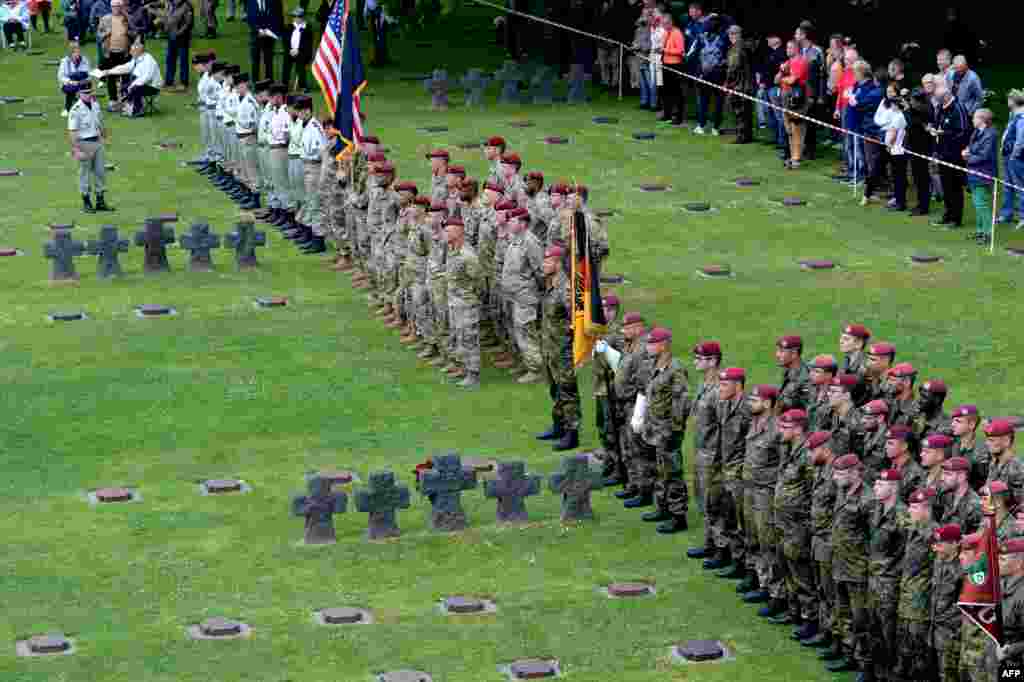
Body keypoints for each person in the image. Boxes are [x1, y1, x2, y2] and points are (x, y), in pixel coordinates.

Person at [634, 327, 690, 534]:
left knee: (672, 473)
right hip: (655, 429)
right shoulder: (654, 366)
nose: (648, 346)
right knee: (661, 470)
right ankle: (663, 508)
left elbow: (682, 401)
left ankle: (678, 516)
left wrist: (674, 429)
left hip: (668, 431)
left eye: (652, 343)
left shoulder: (675, 369)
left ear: (664, 344)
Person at [825, 454, 872, 676]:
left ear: (855, 472)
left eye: (840, 473)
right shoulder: (843, 491)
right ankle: (848, 653)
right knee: (842, 612)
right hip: (840, 564)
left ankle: (865, 664)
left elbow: (875, 537)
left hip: (858, 569)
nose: (835, 478)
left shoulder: (867, 499)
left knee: (860, 619)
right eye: (835, 473)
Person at [539, 244, 580, 448]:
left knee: (567, 390)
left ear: (556, 262)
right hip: (550, 348)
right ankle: (559, 425)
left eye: (547, 261)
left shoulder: (565, 288)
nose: (543, 264)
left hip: (563, 349)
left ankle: (572, 434)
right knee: (555, 390)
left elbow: (576, 319)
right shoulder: (550, 284)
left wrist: (571, 344)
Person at [686, 340, 722, 560]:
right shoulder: (704, 384)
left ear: (713, 361)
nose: (695, 362)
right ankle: (710, 542)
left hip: (713, 453)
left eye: (699, 359)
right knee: (702, 499)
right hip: (701, 449)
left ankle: (720, 548)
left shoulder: (720, 387)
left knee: (713, 502)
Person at [896, 487, 937, 682]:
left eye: (914, 507)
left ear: (926, 509)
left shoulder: (934, 535)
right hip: (907, 597)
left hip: (921, 602)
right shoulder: (912, 530)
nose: (909, 510)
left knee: (920, 649)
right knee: (906, 646)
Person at [501, 207, 544, 385]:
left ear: (523, 223)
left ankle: (536, 370)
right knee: (517, 332)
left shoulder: (530, 242)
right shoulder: (516, 239)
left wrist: (537, 293)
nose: (509, 222)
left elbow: (540, 271)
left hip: (525, 296)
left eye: (513, 220)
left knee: (526, 332)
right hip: (514, 295)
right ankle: (526, 363)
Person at [444, 216, 483, 389]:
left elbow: (479, 281)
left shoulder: (468, 256)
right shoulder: (452, 250)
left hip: (466, 304)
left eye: (448, 230)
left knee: (469, 338)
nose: (444, 233)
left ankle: (473, 374)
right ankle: (464, 368)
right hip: (455, 302)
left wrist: (469, 297)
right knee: (458, 336)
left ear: (458, 232)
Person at [929, 80, 970, 228]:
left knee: (955, 186)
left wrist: (944, 134)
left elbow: (964, 132)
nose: (937, 100)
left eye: (939, 97)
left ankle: (956, 218)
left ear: (946, 95)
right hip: (942, 153)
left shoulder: (958, 108)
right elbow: (936, 123)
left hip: (955, 154)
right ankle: (947, 215)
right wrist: (932, 129)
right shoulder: (940, 107)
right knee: (946, 185)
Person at [67, 80, 113, 213]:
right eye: (84, 93)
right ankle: (86, 202)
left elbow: (99, 122)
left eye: (89, 92)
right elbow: (72, 131)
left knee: (100, 172)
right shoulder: (75, 110)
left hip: (97, 141)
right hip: (84, 142)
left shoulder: (95, 104)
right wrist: (76, 149)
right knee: (85, 174)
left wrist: (104, 136)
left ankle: (100, 201)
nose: (87, 95)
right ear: (79, 94)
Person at [929, 524, 964, 682]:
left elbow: (964, 607)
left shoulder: (963, 569)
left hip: (952, 632)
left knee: (950, 674)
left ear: (955, 543)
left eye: (940, 545)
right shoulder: (939, 561)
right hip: (935, 629)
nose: (935, 549)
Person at [97, 38, 162, 117]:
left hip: (153, 86)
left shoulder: (148, 60)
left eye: (133, 50)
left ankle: (137, 110)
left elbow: (146, 77)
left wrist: (131, 85)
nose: (131, 52)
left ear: (140, 49)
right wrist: (108, 71)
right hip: (142, 84)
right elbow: (125, 67)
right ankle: (126, 106)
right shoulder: (136, 59)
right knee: (125, 87)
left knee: (135, 88)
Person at [963, 108, 999, 244]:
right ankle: (980, 231)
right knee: (977, 204)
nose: (972, 119)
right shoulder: (977, 132)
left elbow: (984, 155)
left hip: (984, 174)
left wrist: (968, 157)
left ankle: (988, 233)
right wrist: (968, 150)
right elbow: (972, 147)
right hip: (973, 172)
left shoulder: (991, 134)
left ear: (982, 120)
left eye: (975, 117)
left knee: (981, 204)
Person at [694, 11, 729, 135]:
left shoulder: (702, 37)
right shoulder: (723, 37)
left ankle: (702, 125)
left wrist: (698, 73)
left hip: (707, 73)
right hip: (716, 74)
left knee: (704, 101)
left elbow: (694, 54)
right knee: (716, 102)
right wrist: (720, 16)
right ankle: (714, 127)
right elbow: (730, 22)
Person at [95, 0, 135, 110]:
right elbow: (98, 34)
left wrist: (128, 33)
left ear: (122, 7)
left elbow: (135, 33)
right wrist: (106, 34)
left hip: (125, 52)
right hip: (110, 53)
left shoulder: (127, 18)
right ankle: (113, 101)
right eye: (113, 6)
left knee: (126, 77)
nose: (116, 8)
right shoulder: (105, 19)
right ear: (110, 7)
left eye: (118, 6)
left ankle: (125, 100)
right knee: (111, 77)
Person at [776, 39, 809, 169]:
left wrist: (784, 77)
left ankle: (796, 158)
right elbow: (776, 79)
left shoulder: (801, 62)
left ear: (796, 49)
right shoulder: (788, 62)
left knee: (797, 129)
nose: (787, 50)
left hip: (797, 100)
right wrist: (782, 72)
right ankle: (792, 156)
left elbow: (792, 80)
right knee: (789, 130)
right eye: (787, 47)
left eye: (790, 47)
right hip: (786, 99)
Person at [875, 82, 908, 211]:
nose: (892, 106)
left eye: (894, 104)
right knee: (898, 177)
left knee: (898, 177)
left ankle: (900, 202)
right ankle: (898, 200)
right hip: (898, 150)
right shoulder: (901, 116)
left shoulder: (898, 117)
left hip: (897, 150)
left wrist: (888, 145)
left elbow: (893, 134)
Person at [905, 87, 935, 217]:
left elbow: (913, 122)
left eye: (912, 100)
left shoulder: (925, 111)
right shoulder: (920, 109)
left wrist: (908, 110)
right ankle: (921, 204)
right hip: (915, 147)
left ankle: (923, 206)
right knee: (918, 177)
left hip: (921, 148)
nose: (911, 102)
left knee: (921, 178)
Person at [998, 90, 1024, 229]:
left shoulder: (1021, 117)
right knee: (1007, 185)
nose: (1007, 101)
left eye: (1009, 99)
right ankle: (1006, 214)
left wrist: (1014, 155)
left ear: (1013, 101)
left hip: (1015, 157)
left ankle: (1022, 216)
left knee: (1019, 186)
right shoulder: (1013, 115)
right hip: (1008, 156)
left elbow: (1021, 139)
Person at [724, 24, 754, 143]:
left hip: (740, 84)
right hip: (746, 83)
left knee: (739, 111)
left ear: (737, 34)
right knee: (746, 111)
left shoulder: (737, 48)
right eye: (729, 34)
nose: (730, 36)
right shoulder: (744, 46)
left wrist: (728, 82)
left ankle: (742, 136)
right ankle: (747, 135)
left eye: (731, 34)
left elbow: (733, 67)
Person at [658, 12, 684, 125]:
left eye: (666, 24)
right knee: (666, 91)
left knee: (676, 92)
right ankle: (667, 114)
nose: (664, 26)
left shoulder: (677, 33)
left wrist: (665, 50)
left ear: (671, 22)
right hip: (665, 63)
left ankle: (678, 116)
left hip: (675, 65)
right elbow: (663, 47)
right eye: (663, 24)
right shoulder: (665, 33)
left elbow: (680, 51)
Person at [247, 0, 282, 82]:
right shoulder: (251, 2)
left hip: (268, 36)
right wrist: (259, 30)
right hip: (255, 36)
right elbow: (250, 18)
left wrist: (268, 30)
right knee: (255, 61)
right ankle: (255, 82)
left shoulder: (271, 2)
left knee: (268, 61)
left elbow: (275, 17)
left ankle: (269, 82)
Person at [162, 0, 192, 92]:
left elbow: (188, 23)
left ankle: (183, 82)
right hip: (171, 37)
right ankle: (168, 81)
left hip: (182, 38)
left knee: (183, 60)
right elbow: (167, 17)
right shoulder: (170, 3)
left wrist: (179, 32)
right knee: (170, 59)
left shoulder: (187, 5)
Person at [58, 41, 92, 116]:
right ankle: (67, 108)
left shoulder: (85, 60)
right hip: (69, 84)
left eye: (78, 51)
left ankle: (87, 106)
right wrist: (70, 82)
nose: (77, 54)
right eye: (75, 52)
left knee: (87, 84)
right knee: (71, 88)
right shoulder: (64, 61)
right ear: (71, 53)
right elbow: (61, 77)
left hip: (82, 82)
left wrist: (85, 80)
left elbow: (89, 75)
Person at [282, 7, 312, 93]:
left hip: (301, 52)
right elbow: (285, 41)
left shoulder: (307, 29)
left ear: (302, 17)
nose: (296, 19)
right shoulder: (289, 27)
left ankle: (302, 85)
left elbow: (307, 44)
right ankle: (285, 85)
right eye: (294, 17)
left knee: (301, 67)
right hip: (290, 51)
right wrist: (290, 50)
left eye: (298, 17)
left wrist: (299, 50)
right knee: (286, 67)